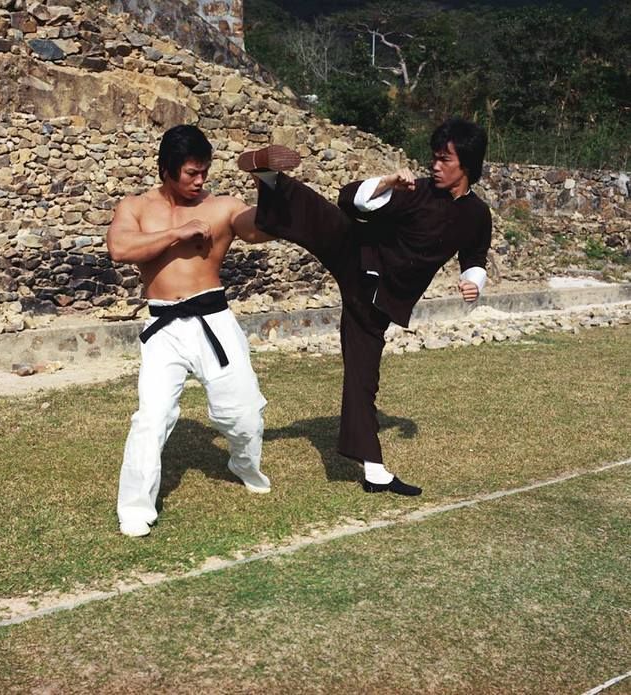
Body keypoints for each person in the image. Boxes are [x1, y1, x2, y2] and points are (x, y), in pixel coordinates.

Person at [238, 118, 492, 496]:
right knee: (324, 216)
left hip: (376, 299)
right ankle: (267, 174)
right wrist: (388, 182)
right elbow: (350, 198)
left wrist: (473, 282)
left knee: (363, 377)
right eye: (434, 158)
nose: (435, 166)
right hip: (356, 252)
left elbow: (475, 259)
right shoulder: (416, 191)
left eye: (444, 160)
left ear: (466, 164)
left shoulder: (477, 216)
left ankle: (374, 471)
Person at [107, 124, 273, 537]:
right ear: (166, 169)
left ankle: (242, 462)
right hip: (163, 326)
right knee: (152, 417)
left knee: (244, 415)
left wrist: (269, 185)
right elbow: (120, 248)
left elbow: (260, 230)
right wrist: (176, 233)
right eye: (191, 173)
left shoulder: (221, 207)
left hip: (214, 322)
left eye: (205, 172)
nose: (200, 182)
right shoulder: (136, 207)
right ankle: (135, 507)